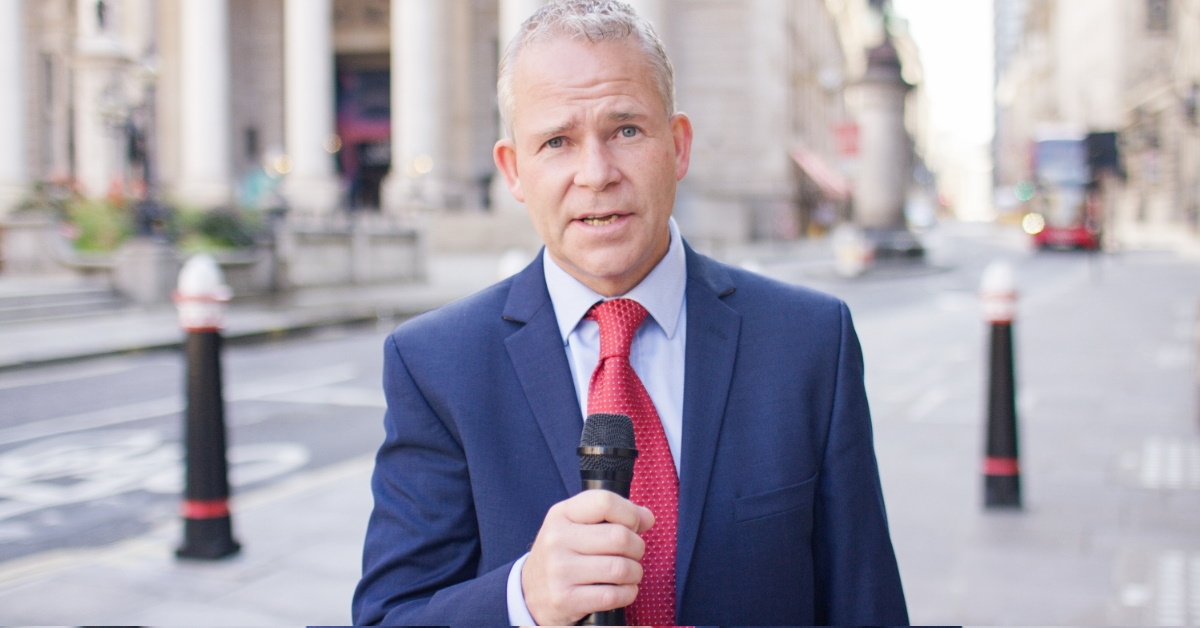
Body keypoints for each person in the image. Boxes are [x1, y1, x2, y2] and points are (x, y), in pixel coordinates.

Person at [351, 1, 907, 625]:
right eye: (557, 141)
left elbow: (865, 601)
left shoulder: (809, 343)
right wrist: (524, 599)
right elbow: (389, 615)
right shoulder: (434, 365)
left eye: (626, 131)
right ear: (514, 169)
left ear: (678, 146)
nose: (596, 174)